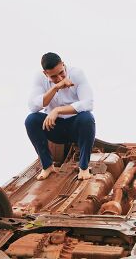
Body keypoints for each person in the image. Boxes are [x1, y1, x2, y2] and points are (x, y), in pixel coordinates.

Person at [25, 53, 95, 181]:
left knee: (87, 118)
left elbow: (88, 103)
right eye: (53, 76)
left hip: (75, 127)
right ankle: (47, 166)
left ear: (63, 64)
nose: (59, 78)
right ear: (45, 73)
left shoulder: (77, 74)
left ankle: (84, 168)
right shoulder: (39, 78)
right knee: (31, 120)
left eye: (61, 73)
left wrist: (57, 110)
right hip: (54, 128)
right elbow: (33, 106)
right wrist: (55, 88)